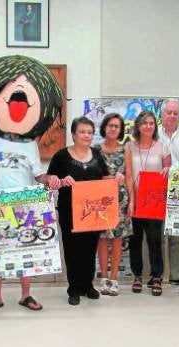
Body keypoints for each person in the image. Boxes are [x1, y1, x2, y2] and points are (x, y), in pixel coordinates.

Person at [0, 55, 64, 313]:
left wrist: (49, 180)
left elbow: (38, 175)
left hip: (25, 207)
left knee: (25, 251)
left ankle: (25, 295)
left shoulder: (31, 145)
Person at [48, 117, 114, 305]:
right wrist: (61, 181)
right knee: (72, 249)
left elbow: (105, 178)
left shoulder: (97, 154)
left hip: (93, 213)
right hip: (70, 212)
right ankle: (74, 288)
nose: (86, 135)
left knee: (90, 248)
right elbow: (50, 181)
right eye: (82, 132)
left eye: (89, 132)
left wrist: (114, 179)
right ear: (73, 134)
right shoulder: (61, 156)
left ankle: (88, 285)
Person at [125, 110, 170, 296]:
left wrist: (169, 170)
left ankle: (157, 276)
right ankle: (137, 276)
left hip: (154, 201)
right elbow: (128, 175)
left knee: (154, 240)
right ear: (138, 126)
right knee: (135, 240)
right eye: (144, 123)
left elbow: (169, 170)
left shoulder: (162, 146)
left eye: (151, 123)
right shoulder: (129, 147)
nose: (148, 126)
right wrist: (131, 201)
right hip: (135, 200)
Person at [95, 112, 131, 296]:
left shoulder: (126, 149)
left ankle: (114, 279)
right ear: (104, 127)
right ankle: (104, 278)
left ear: (120, 130)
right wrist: (105, 178)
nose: (113, 129)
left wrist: (132, 202)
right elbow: (91, 176)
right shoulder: (95, 149)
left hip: (121, 199)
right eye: (110, 125)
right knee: (102, 239)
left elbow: (130, 177)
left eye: (117, 126)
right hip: (100, 200)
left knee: (117, 238)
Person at [159, 99, 179, 287]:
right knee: (157, 234)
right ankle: (158, 274)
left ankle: (178, 275)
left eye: (175, 113)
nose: (172, 116)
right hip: (156, 189)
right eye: (168, 112)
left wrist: (171, 170)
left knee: (178, 234)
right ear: (161, 115)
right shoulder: (154, 135)